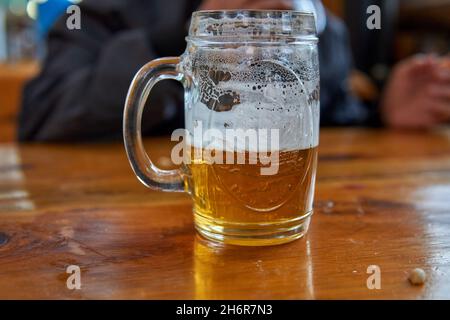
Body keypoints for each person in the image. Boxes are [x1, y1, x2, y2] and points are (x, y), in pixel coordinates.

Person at [18, 0, 450, 141]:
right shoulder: (112, 10)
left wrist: (383, 114)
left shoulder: (314, 24)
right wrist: (199, 47)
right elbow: (42, 111)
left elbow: (329, 114)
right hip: (135, 249)